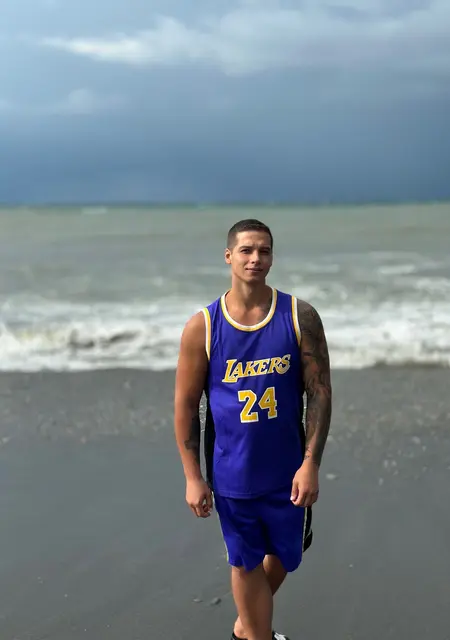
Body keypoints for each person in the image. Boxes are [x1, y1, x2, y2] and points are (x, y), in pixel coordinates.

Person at [174, 219, 332, 640]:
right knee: (244, 562)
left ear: (272, 258)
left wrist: (311, 463)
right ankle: (256, 634)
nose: (255, 258)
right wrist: (193, 477)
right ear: (229, 256)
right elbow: (186, 406)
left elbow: (319, 393)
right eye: (246, 250)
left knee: (287, 554)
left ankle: (246, 628)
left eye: (264, 250)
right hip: (232, 474)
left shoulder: (299, 316)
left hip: (288, 472)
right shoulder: (203, 326)